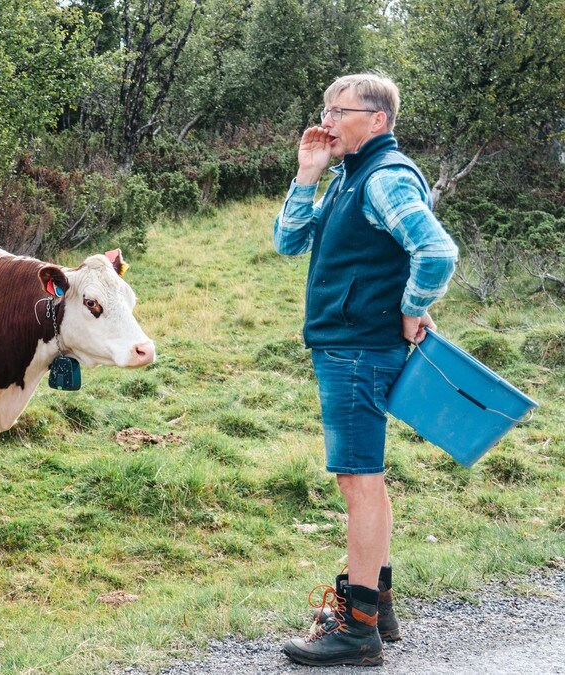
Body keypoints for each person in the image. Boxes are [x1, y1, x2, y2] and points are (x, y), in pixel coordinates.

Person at [272, 73, 458, 667]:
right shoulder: (351, 176)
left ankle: (357, 630)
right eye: (324, 108)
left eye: (339, 110)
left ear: (377, 120)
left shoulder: (386, 178)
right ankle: (377, 603)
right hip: (346, 345)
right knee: (365, 479)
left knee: (358, 481)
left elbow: (437, 251)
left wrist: (411, 310)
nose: (326, 119)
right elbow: (288, 243)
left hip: (358, 348)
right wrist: (308, 173)